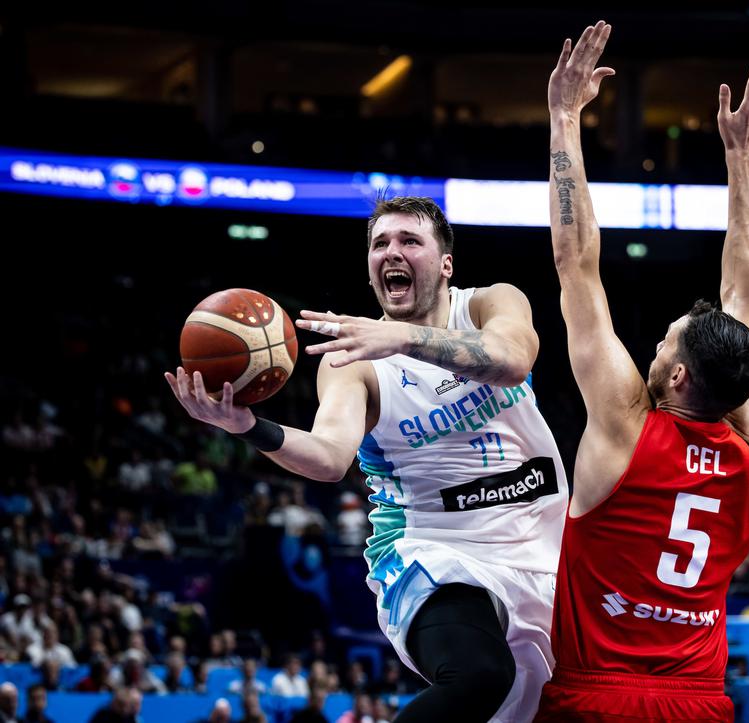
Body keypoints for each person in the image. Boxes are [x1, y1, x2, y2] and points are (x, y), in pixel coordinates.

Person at [165, 194, 568, 722]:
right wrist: (246, 426)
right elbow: (331, 457)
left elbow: (512, 360)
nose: (391, 252)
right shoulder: (351, 360)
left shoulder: (491, 303)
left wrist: (401, 336)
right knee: (479, 675)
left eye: (409, 241)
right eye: (380, 243)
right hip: (435, 552)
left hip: (546, 547)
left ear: (446, 264)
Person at [536, 20, 749, 722]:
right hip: (699, 701)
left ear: (676, 378)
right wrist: (741, 160)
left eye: (664, 346)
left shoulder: (622, 422)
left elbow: (574, 259)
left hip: (598, 694)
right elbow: (748, 294)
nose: (653, 350)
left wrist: (563, 119)